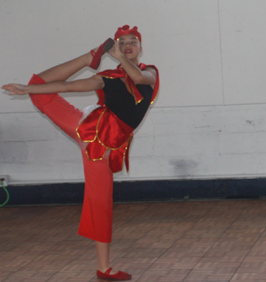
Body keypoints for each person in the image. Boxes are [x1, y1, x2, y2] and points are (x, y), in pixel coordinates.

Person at [2, 25, 159, 280]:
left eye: (133, 41)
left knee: (100, 202)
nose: (128, 45)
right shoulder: (107, 77)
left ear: (141, 48)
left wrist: (118, 57)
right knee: (40, 87)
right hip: (87, 129)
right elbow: (65, 87)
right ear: (115, 47)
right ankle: (89, 56)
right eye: (122, 42)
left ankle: (104, 267)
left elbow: (140, 80)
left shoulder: (150, 72)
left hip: (103, 149)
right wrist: (27, 90)